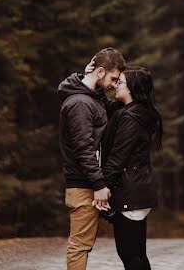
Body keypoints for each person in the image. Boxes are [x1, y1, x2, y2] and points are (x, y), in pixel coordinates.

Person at [58, 47, 126, 270]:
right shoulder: (80, 103)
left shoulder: (90, 98)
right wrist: (98, 184)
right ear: (99, 71)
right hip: (84, 184)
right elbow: (83, 149)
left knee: (83, 244)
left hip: (88, 182)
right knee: (80, 245)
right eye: (113, 78)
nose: (114, 84)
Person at [100, 66, 162, 270]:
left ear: (132, 89)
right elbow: (106, 104)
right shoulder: (133, 113)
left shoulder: (130, 118)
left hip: (130, 190)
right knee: (136, 253)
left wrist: (102, 186)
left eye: (120, 83)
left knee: (129, 253)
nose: (116, 85)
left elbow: (118, 157)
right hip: (136, 188)